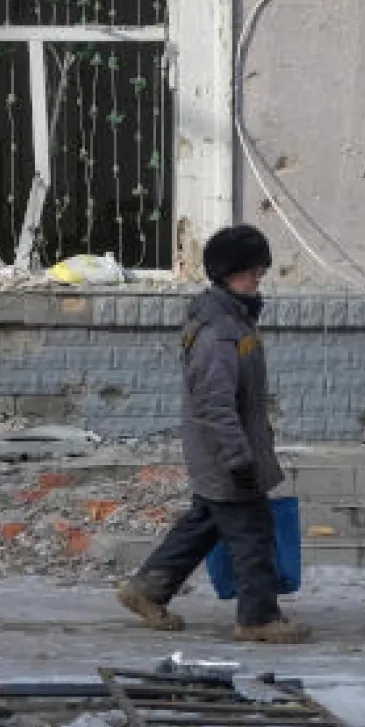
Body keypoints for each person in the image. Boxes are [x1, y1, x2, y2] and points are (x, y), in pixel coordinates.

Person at [115, 224, 312, 644]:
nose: (260, 275)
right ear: (228, 273)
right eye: (252, 269)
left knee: (204, 524)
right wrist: (239, 460)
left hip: (224, 452)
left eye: (261, 268)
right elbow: (215, 404)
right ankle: (258, 617)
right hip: (225, 454)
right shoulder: (220, 332)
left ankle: (146, 588)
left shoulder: (232, 318)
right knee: (252, 533)